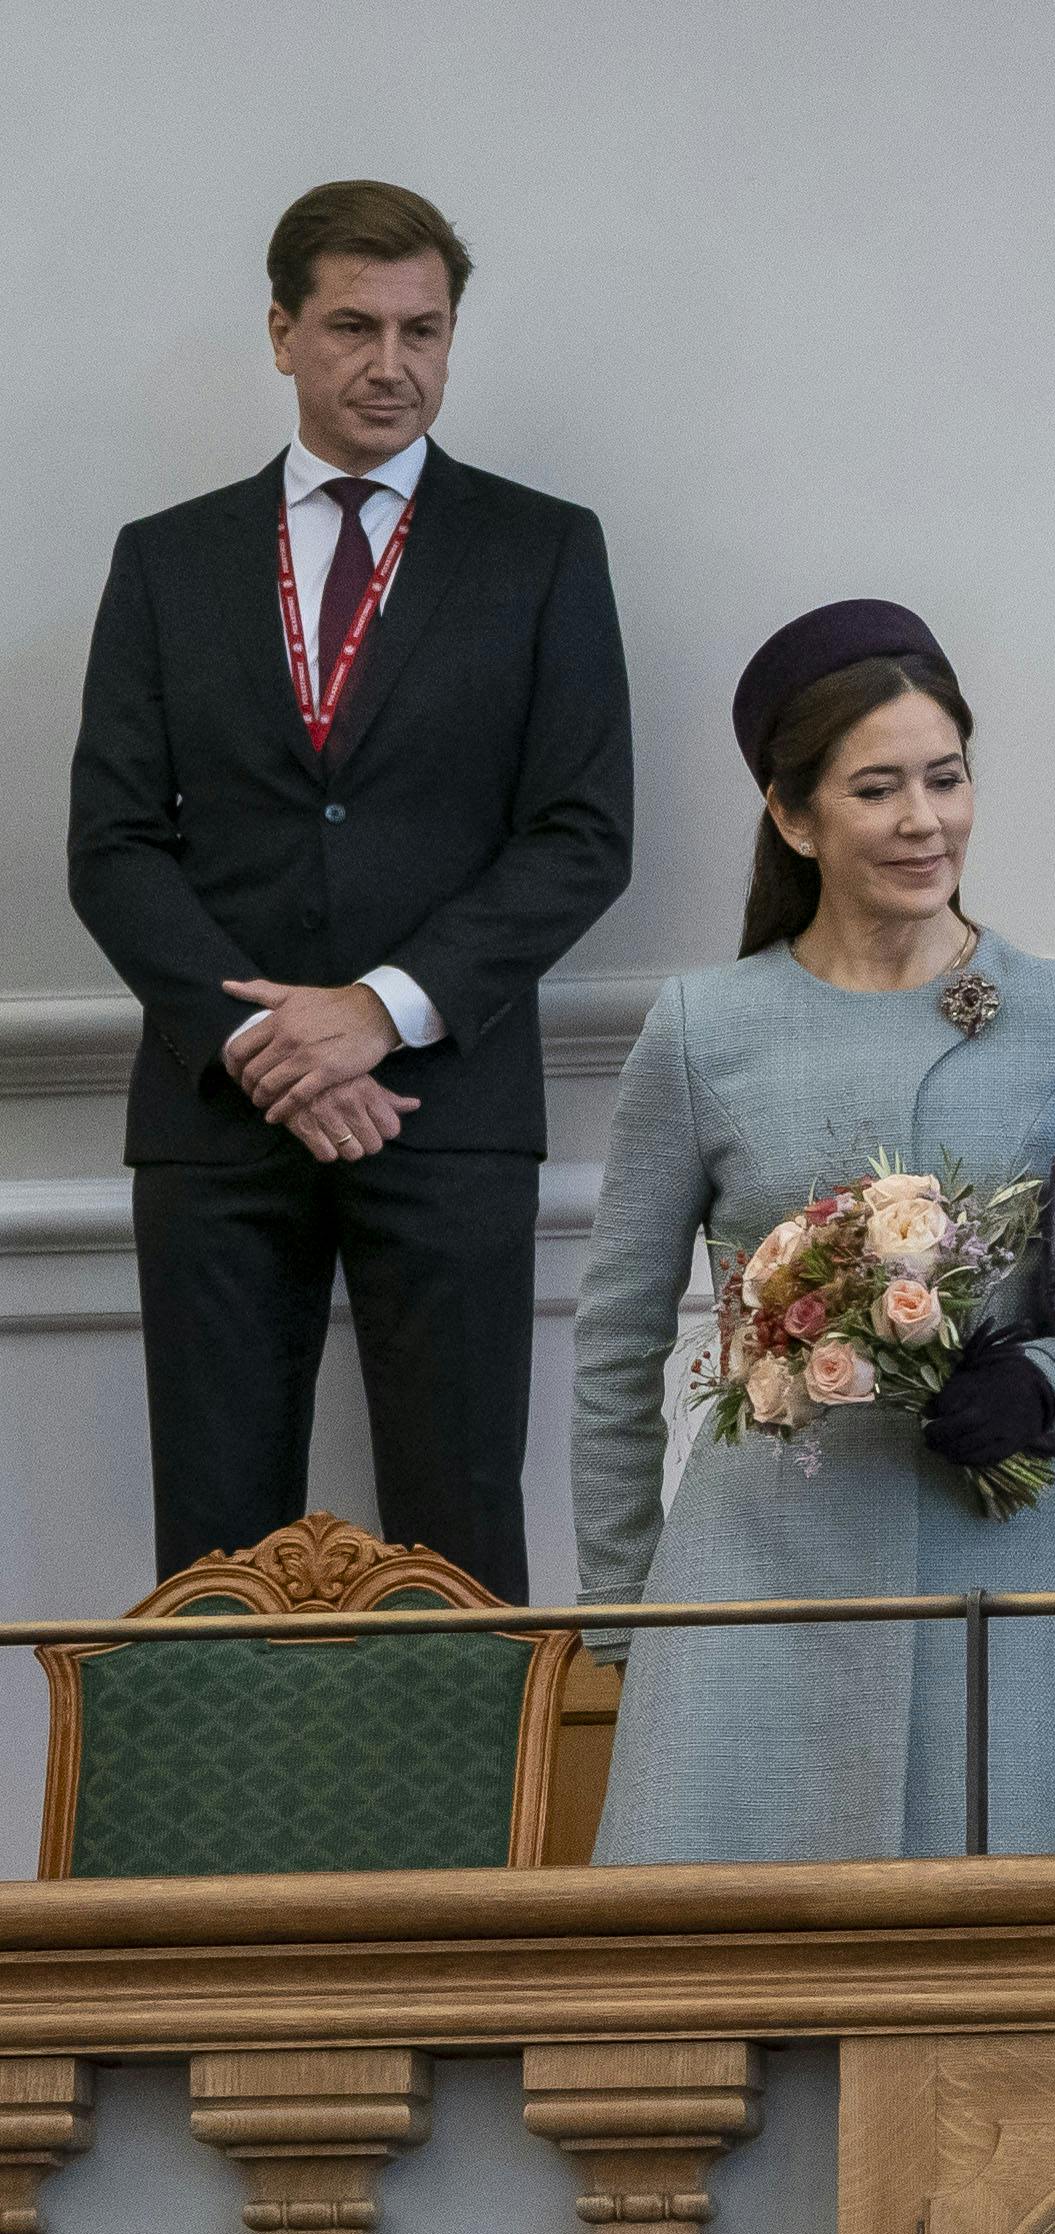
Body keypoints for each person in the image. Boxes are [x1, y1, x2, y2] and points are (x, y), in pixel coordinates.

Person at [570, 602, 1055, 1863]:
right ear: (795, 816)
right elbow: (614, 1338)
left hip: (999, 1565)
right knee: (728, 1992)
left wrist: (1048, 1381)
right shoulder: (702, 1030)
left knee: (1004, 1998)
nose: (925, 821)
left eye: (947, 777)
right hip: (750, 1581)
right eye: (879, 788)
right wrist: (628, 1612)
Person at [66, 180, 632, 1598]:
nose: (393, 364)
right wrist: (268, 1044)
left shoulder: (542, 549)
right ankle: (211, 1826)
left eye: (424, 330)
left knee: (460, 1539)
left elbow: (581, 832)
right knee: (210, 1544)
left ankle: (486, 1833)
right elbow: (113, 843)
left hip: (448, 1108)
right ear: (280, 333)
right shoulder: (167, 560)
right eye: (354, 327)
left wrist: (377, 1015)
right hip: (217, 1120)